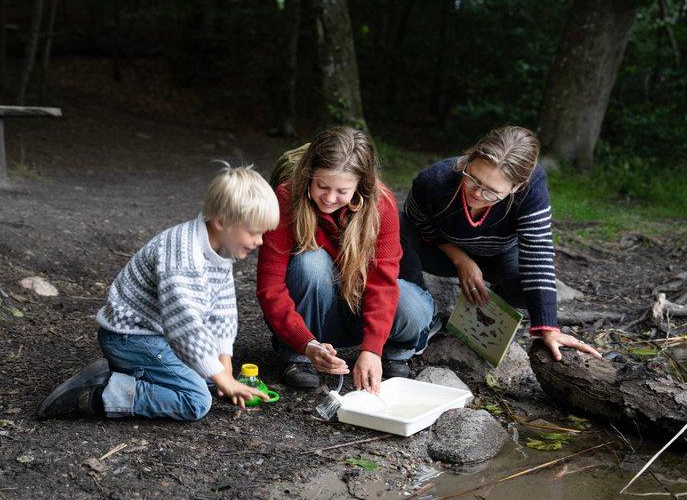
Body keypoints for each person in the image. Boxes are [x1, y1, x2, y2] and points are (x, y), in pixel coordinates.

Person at [36, 164, 279, 420]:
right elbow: (185, 326)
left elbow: (222, 311)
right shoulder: (184, 255)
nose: (260, 241)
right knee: (196, 400)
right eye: (253, 232)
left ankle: (129, 373)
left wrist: (225, 371)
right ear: (221, 222)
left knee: (211, 376)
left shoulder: (221, 252)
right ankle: (100, 393)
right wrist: (222, 379)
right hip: (131, 337)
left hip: (159, 336)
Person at [256, 127, 434, 394]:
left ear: (360, 185)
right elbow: (269, 286)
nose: (329, 198)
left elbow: (383, 283)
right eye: (322, 186)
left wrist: (371, 349)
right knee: (310, 261)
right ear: (308, 175)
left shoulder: (381, 205)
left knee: (415, 307)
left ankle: (393, 350)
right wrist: (305, 342)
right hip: (311, 313)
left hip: (357, 308)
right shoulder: (287, 197)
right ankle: (297, 355)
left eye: (341, 191)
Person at [400, 126, 601, 361]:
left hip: (499, 255)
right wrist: (461, 260)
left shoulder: (532, 188)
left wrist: (548, 328)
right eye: (473, 179)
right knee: (394, 226)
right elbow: (419, 224)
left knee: (528, 291)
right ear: (469, 159)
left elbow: (538, 250)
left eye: (492, 192)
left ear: (516, 187)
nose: (477, 193)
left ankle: (494, 305)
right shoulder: (434, 180)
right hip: (444, 252)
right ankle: (425, 313)